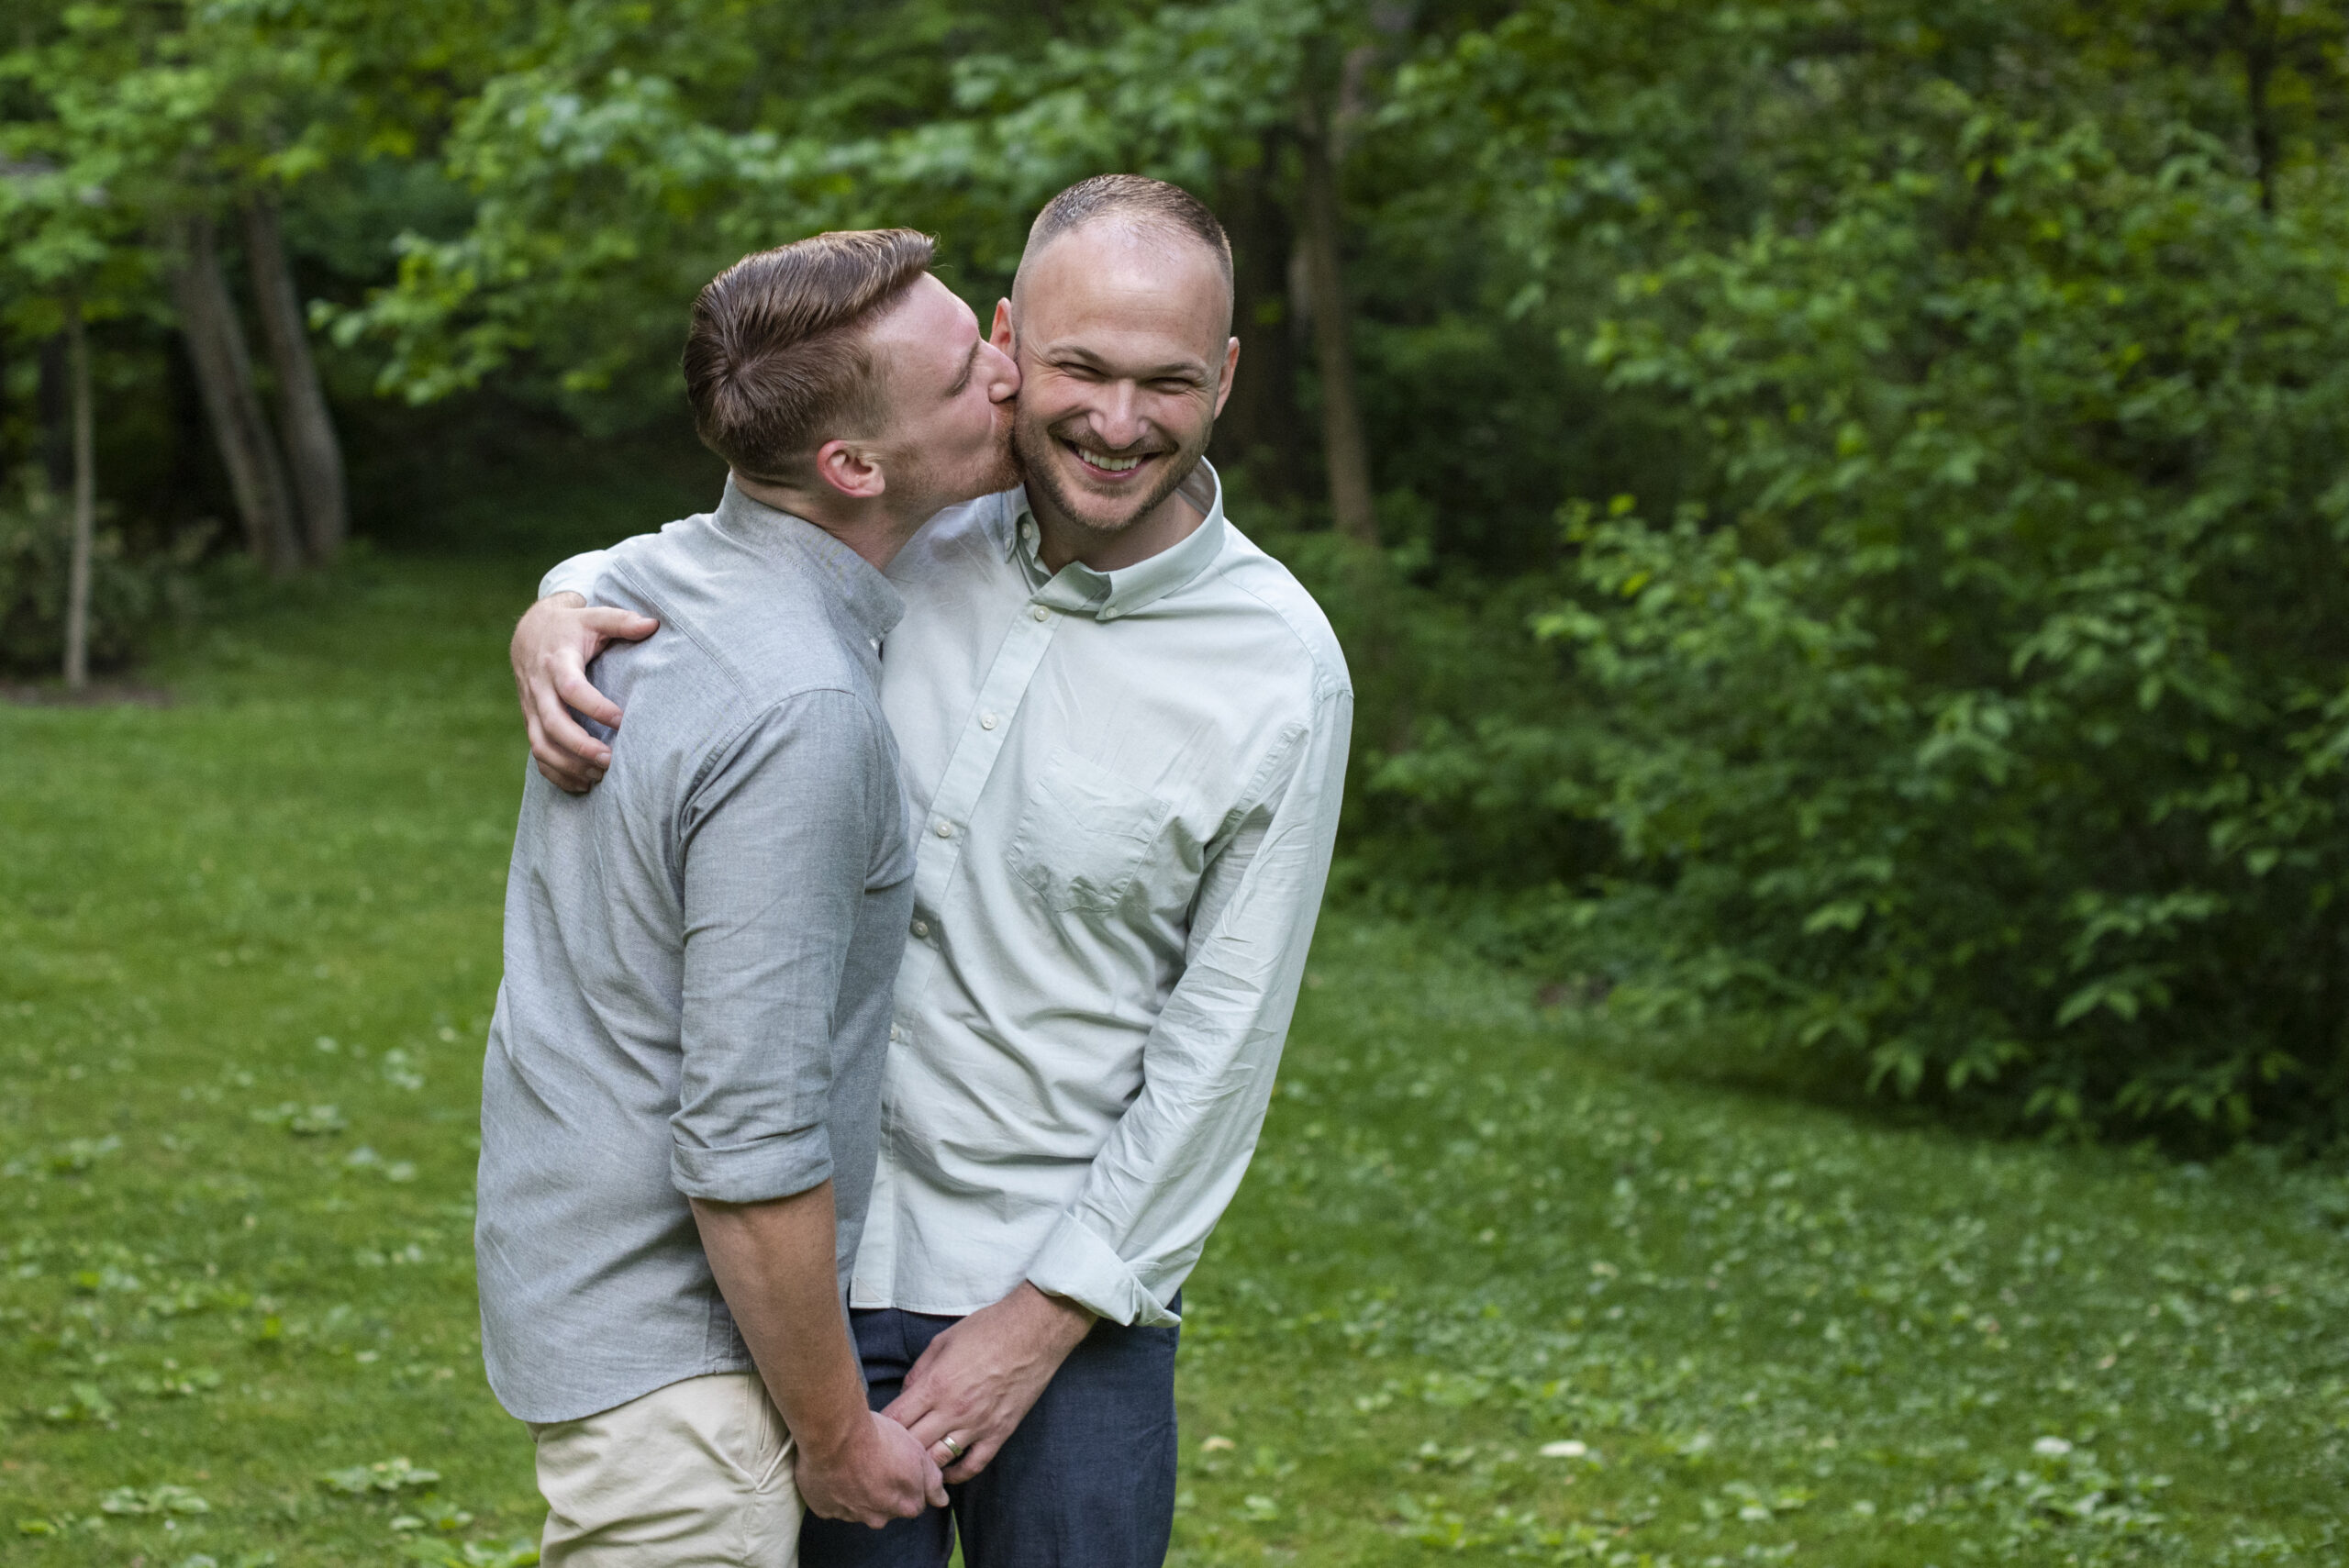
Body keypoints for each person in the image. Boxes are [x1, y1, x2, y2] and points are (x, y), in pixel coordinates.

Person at [511, 174, 1353, 1568]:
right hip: (811, 1283)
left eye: (1169, 383)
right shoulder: (912, 502)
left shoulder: (1280, 670)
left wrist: (1039, 1323)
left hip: (1060, 1296)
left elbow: (1223, 1046)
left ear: (1228, 378)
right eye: (1079, 368)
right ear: (1012, 342)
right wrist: (557, 602)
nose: (1118, 420)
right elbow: (717, 558)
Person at [474, 226, 1022, 1566]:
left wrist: (545, 604)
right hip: (685, 1385)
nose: (1009, 375)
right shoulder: (804, 712)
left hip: (592, 1309)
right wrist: (840, 1437)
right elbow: (747, 1144)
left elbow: (593, 570)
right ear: (852, 465)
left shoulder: (650, 588)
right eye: (965, 374)